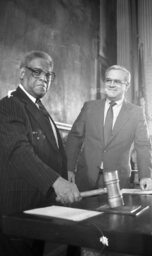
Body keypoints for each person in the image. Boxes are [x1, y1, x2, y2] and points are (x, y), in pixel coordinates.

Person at [0, 50, 81, 256]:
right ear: (21, 74)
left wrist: (62, 180)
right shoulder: (9, 105)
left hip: (41, 206)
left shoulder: (40, 109)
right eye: (37, 72)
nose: (44, 78)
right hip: (19, 209)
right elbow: (19, 152)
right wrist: (57, 182)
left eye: (48, 75)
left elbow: (51, 154)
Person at [66, 65, 152, 192]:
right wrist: (69, 168)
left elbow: (144, 146)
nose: (111, 84)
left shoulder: (136, 113)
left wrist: (145, 176)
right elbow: (75, 138)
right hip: (85, 178)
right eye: (108, 80)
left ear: (127, 86)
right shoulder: (89, 107)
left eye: (117, 81)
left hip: (118, 181)